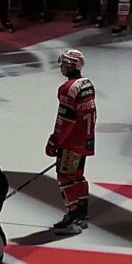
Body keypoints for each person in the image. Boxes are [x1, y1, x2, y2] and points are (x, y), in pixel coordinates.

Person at [47, 49, 97, 233]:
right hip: (86, 139)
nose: (61, 66)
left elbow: (66, 120)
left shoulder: (67, 89)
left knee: (65, 176)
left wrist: (55, 141)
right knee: (78, 176)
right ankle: (82, 214)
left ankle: (73, 218)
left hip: (71, 142)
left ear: (71, 65)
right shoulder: (87, 84)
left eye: (64, 63)